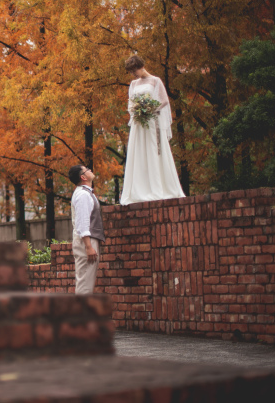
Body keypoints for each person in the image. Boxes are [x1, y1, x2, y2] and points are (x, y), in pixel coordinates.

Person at [120, 55, 186, 205]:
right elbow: (130, 104)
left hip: (151, 122)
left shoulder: (155, 81)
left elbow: (164, 101)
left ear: (141, 66)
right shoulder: (133, 84)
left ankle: (157, 188)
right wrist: (136, 111)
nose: (133, 74)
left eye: (134, 70)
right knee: (139, 153)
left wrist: (149, 109)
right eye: (131, 72)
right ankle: (140, 188)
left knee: (152, 150)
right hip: (138, 123)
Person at [68, 165, 104, 294]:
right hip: (86, 241)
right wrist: (89, 246)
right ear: (83, 177)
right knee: (85, 285)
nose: (90, 170)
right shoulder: (83, 194)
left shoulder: (85, 193)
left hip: (87, 240)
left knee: (86, 283)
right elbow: (82, 222)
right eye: (87, 169)